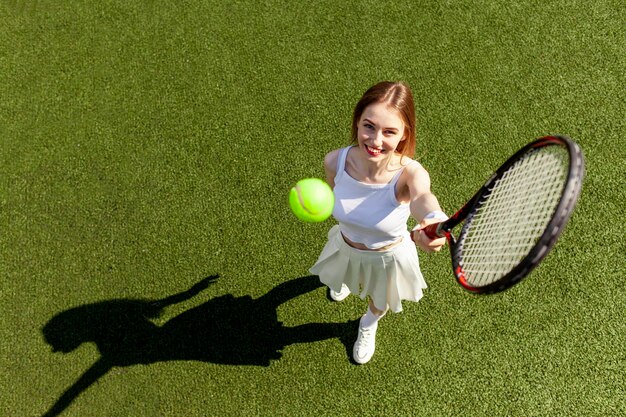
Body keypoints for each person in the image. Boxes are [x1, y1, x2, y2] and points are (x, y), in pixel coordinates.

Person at [309, 81, 448, 364]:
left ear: (403, 135)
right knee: (343, 277)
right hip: (346, 246)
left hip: (385, 258)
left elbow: (424, 197)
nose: (375, 141)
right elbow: (333, 193)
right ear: (357, 122)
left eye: (389, 132)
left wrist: (433, 219)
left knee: (379, 301)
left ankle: (368, 323)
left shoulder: (410, 174)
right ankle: (347, 281)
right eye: (368, 126)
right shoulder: (335, 161)